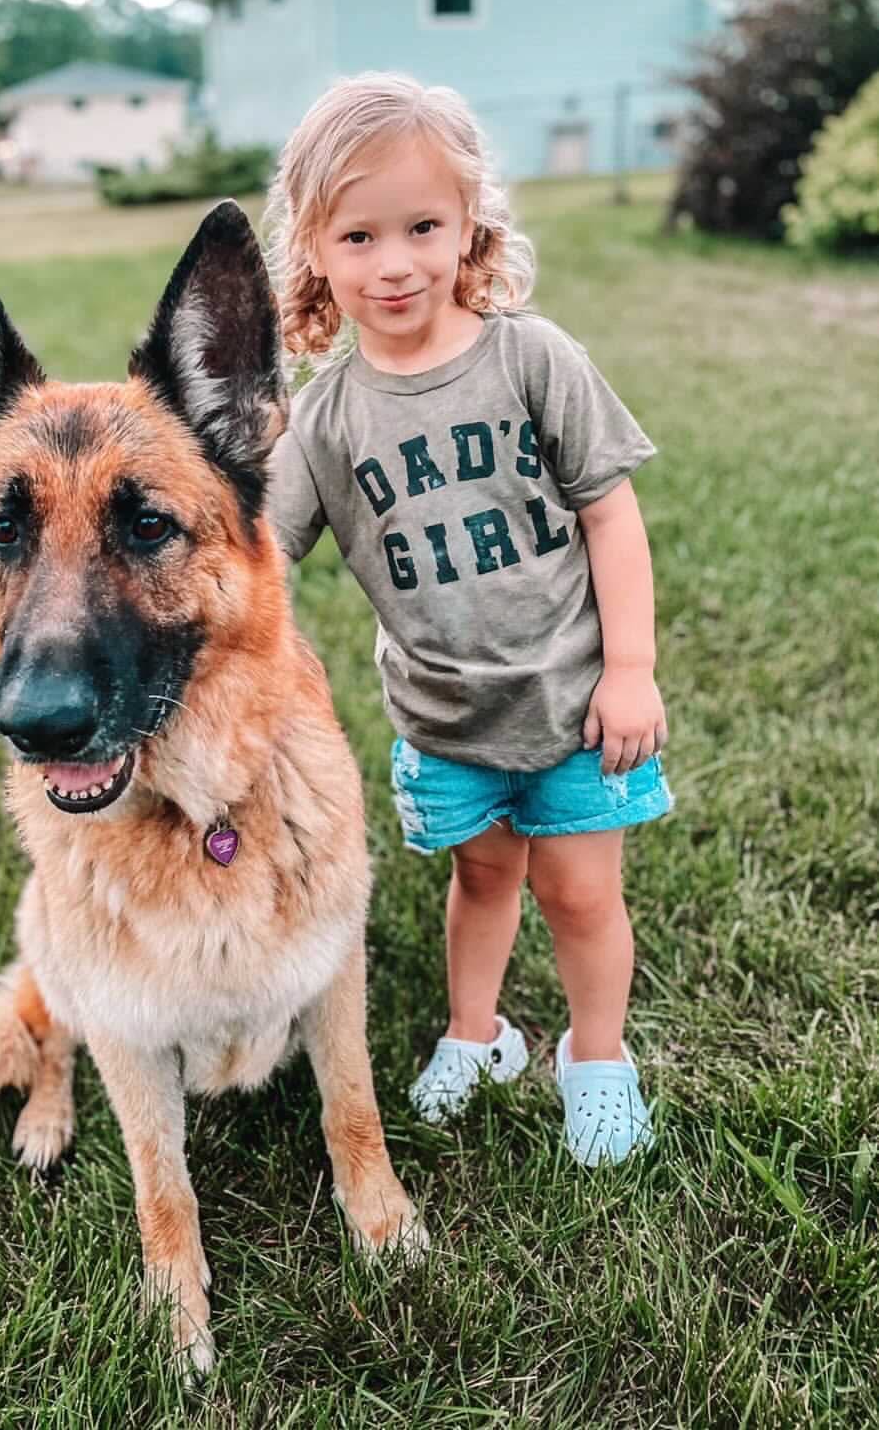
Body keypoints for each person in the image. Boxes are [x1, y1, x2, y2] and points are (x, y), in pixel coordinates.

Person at [263, 73, 672, 1166]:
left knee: (580, 894)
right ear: (313, 250)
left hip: (577, 704)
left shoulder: (531, 358)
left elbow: (611, 515)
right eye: (358, 237)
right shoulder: (324, 421)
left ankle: (597, 1059)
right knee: (483, 880)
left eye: (422, 228)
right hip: (444, 719)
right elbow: (257, 555)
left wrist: (630, 669)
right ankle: (477, 1034)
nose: (394, 263)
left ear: (469, 225)